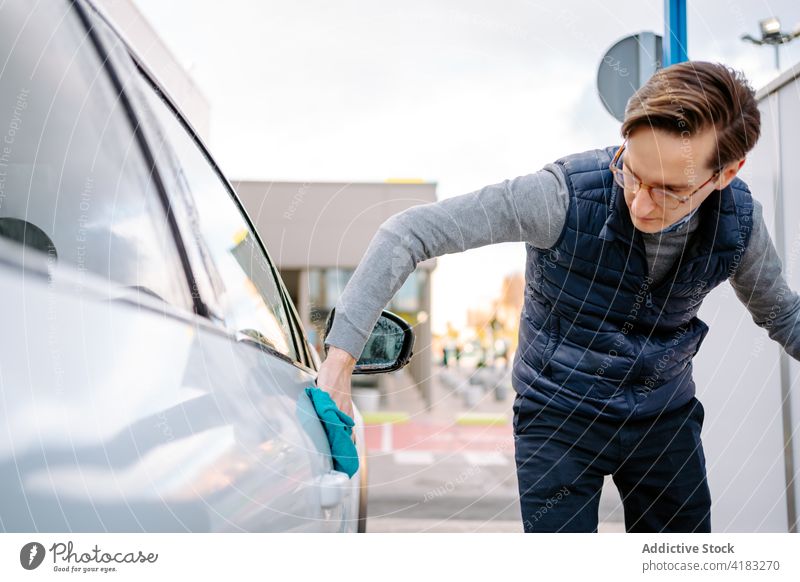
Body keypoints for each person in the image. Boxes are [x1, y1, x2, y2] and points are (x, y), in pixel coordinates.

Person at [314, 61, 800, 532]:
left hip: (663, 419)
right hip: (558, 418)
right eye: (631, 172)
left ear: (725, 174)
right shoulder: (560, 198)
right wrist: (338, 369)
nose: (640, 201)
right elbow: (407, 234)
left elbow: (784, 315)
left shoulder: (738, 225)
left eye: (670, 190)